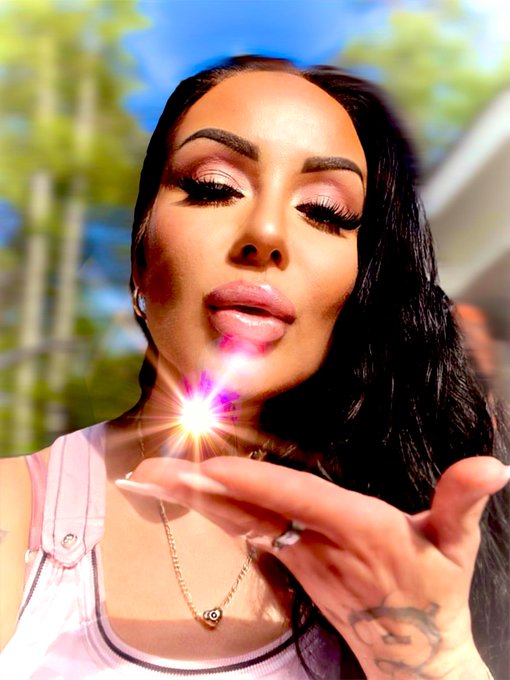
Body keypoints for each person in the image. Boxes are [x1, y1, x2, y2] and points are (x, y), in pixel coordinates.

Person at [1, 55, 508, 679]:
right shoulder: (16, 510)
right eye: (214, 187)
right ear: (139, 259)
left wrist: (438, 661)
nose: (266, 232)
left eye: (324, 211)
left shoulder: (405, 527)